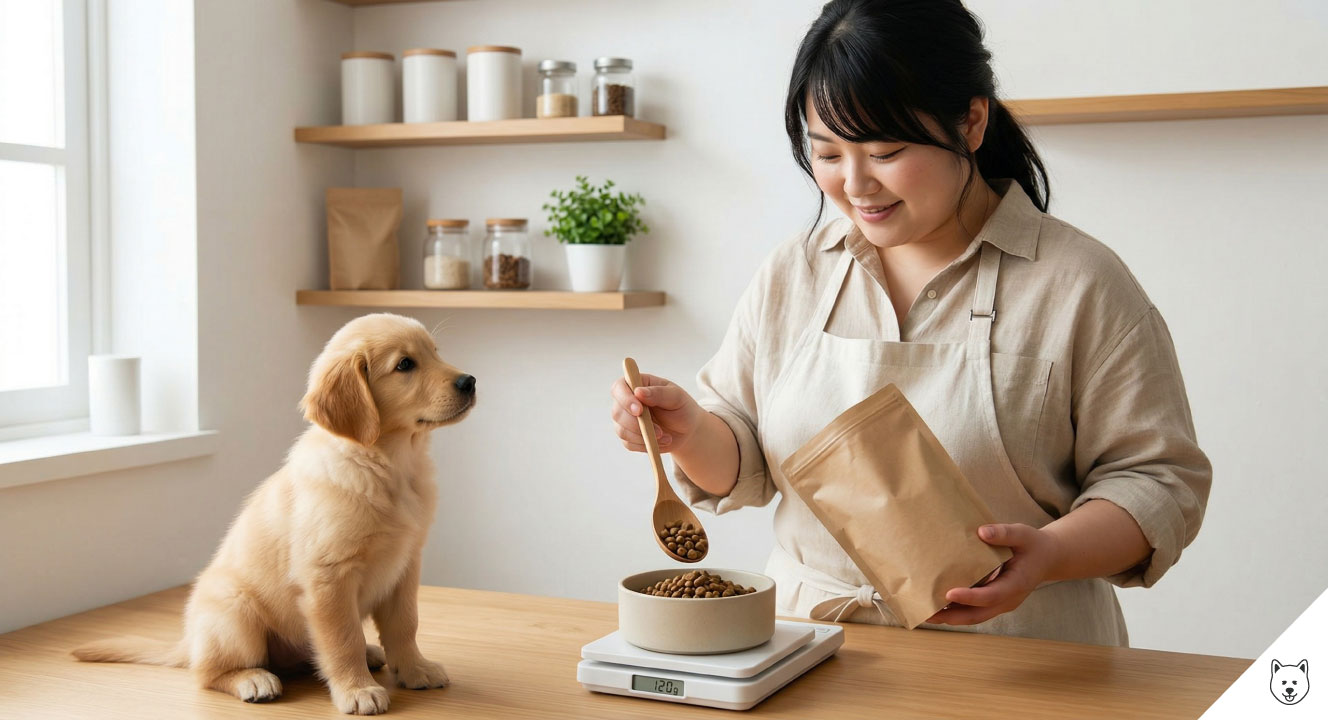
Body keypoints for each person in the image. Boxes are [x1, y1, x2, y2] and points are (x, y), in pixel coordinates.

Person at [609, 0, 1212, 646]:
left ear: (972, 120)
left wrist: (1049, 554)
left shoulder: (1079, 283)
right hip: (812, 659)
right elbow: (747, 459)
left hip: (1027, 665)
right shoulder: (795, 274)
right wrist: (689, 432)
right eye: (829, 154)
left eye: (886, 151)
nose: (856, 184)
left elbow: (1159, 482)